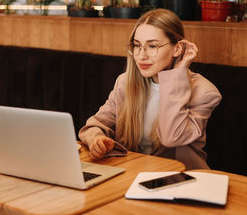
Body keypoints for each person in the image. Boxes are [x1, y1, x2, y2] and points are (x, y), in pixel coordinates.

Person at [79, 9, 221, 170]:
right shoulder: (125, 82)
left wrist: (177, 74)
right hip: (132, 174)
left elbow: (171, 138)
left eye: (152, 46)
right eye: (137, 46)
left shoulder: (205, 92)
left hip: (180, 180)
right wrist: (96, 139)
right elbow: (93, 125)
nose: (141, 56)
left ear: (177, 48)